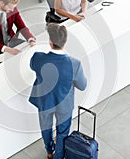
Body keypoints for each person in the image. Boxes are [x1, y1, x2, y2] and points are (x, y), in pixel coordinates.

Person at [29, 23, 87, 159]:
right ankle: (58, 156)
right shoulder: (75, 63)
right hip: (64, 105)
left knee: (46, 128)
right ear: (65, 41)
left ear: (50, 42)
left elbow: (32, 66)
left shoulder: (38, 58)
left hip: (45, 102)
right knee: (62, 132)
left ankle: (49, 150)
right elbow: (82, 85)